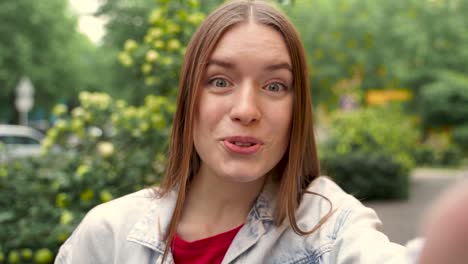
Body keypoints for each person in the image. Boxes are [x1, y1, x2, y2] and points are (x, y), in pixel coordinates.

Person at [55, 0, 468, 263]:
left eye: (275, 86)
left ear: (298, 109)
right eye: (219, 81)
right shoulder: (108, 235)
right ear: (187, 101)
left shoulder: (330, 226)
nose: (246, 110)